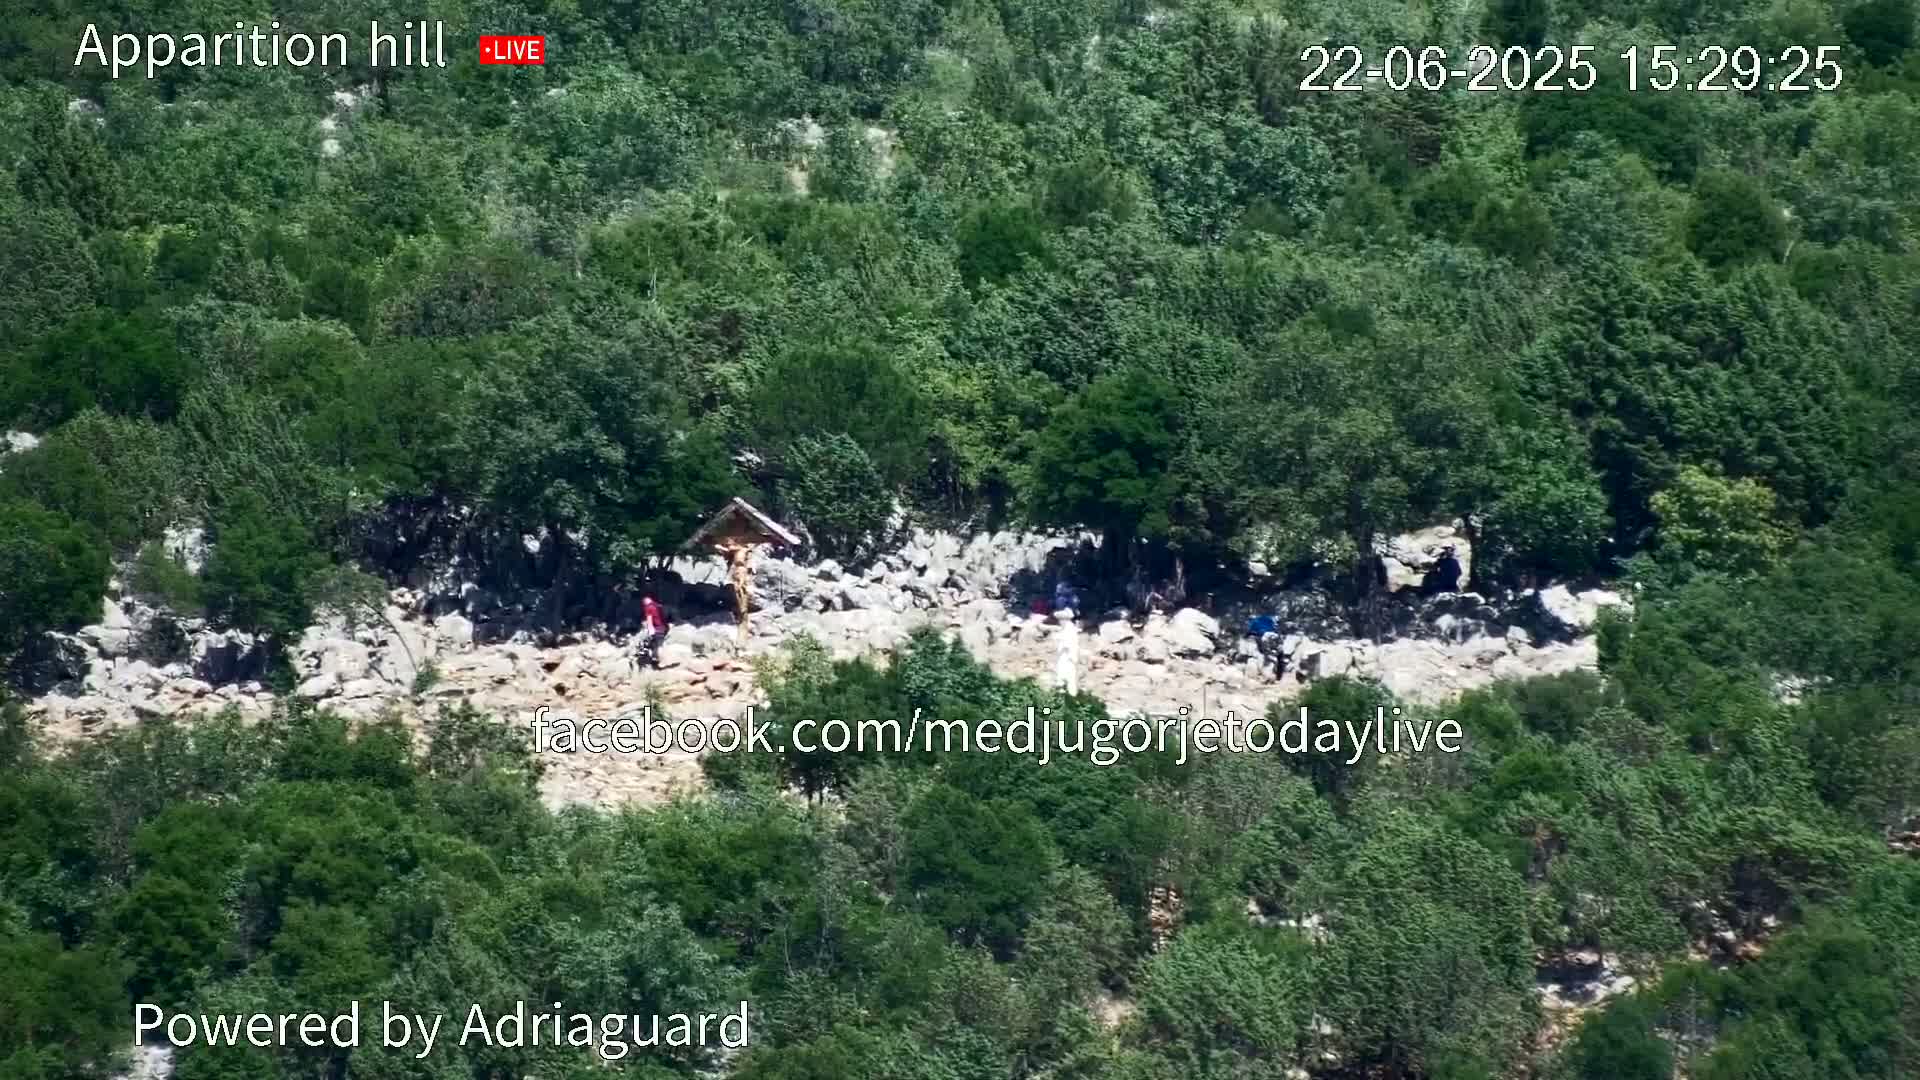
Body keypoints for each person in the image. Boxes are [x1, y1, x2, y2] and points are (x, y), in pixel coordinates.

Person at [637, 594, 669, 668]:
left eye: (643, 601)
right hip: (663, 627)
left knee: (656, 645)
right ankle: (655, 661)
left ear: (646, 599)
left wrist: (650, 630)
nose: (643, 603)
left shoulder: (648, 607)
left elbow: (649, 619)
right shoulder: (658, 605)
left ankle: (661, 662)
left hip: (656, 628)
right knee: (657, 645)